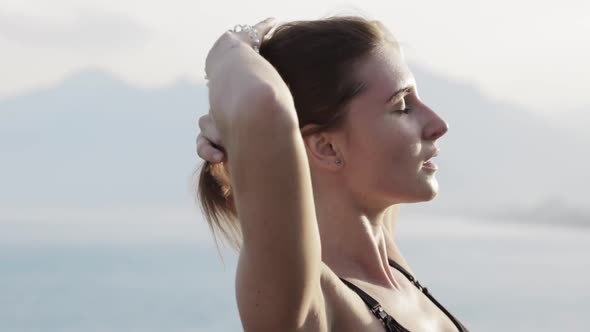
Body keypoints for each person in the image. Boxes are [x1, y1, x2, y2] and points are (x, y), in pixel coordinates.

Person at [195, 16, 469, 332]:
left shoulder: (387, 267)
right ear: (326, 148)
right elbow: (263, 103)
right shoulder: (310, 302)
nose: (439, 125)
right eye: (402, 106)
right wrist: (228, 47)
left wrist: (238, 138)